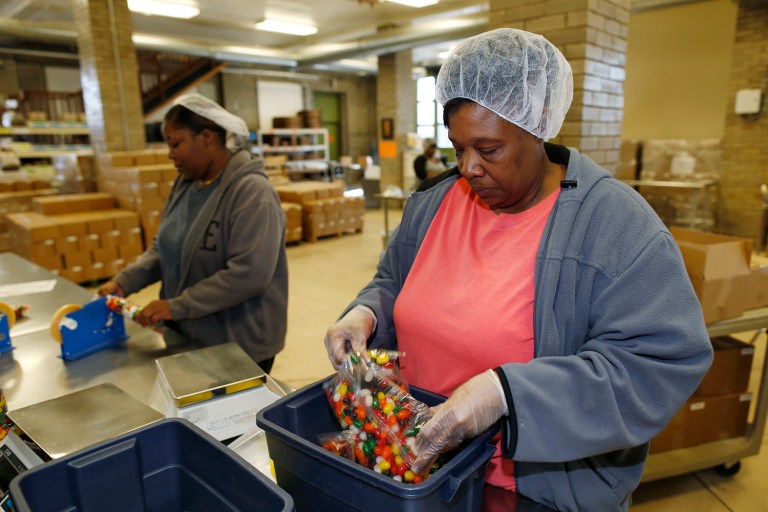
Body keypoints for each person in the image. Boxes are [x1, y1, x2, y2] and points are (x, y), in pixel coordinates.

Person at [324, 28, 712, 511]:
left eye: (488, 150)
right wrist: (365, 313)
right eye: (457, 148)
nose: (469, 167)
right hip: (416, 472)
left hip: (524, 492)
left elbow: (659, 362)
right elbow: (393, 280)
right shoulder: (433, 202)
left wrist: (505, 395)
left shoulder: (614, 225)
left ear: (539, 126)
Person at [98, 93, 288, 373]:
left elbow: (249, 274)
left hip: (238, 346)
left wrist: (177, 306)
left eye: (175, 143)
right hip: (187, 337)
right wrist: (125, 281)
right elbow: (164, 246)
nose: (170, 153)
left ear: (206, 137)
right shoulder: (185, 185)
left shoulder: (252, 193)